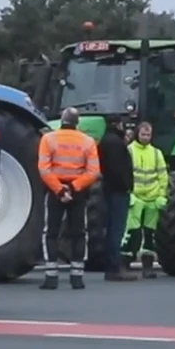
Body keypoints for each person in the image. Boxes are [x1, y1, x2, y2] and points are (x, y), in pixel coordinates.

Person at [36, 107, 100, 290]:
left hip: (55, 191)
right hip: (78, 191)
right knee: (79, 232)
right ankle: (77, 276)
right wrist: (73, 187)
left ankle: (51, 276)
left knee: (51, 232)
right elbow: (93, 171)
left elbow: (44, 169)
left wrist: (59, 190)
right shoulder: (88, 141)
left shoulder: (48, 139)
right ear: (77, 123)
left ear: (62, 120)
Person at [125, 121, 169, 277]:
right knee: (132, 232)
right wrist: (128, 193)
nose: (145, 137)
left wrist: (162, 195)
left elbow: (163, 175)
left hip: (153, 198)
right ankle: (124, 263)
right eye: (143, 134)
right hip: (135, 197)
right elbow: (125, 174)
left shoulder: (156, 153)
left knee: (150, 234)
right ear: (137, 133)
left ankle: (148, 266)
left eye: (148, 135)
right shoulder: (129, 151)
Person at [96, 118, 138, 282]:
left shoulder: (106, 140)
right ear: (117, 124)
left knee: (111, 227)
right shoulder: (116, 143)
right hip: (118, 191)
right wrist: (126, 185)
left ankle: (111, 264)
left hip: (109, 189)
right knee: (117, 229)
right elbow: (119, 168)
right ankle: (114, 267)